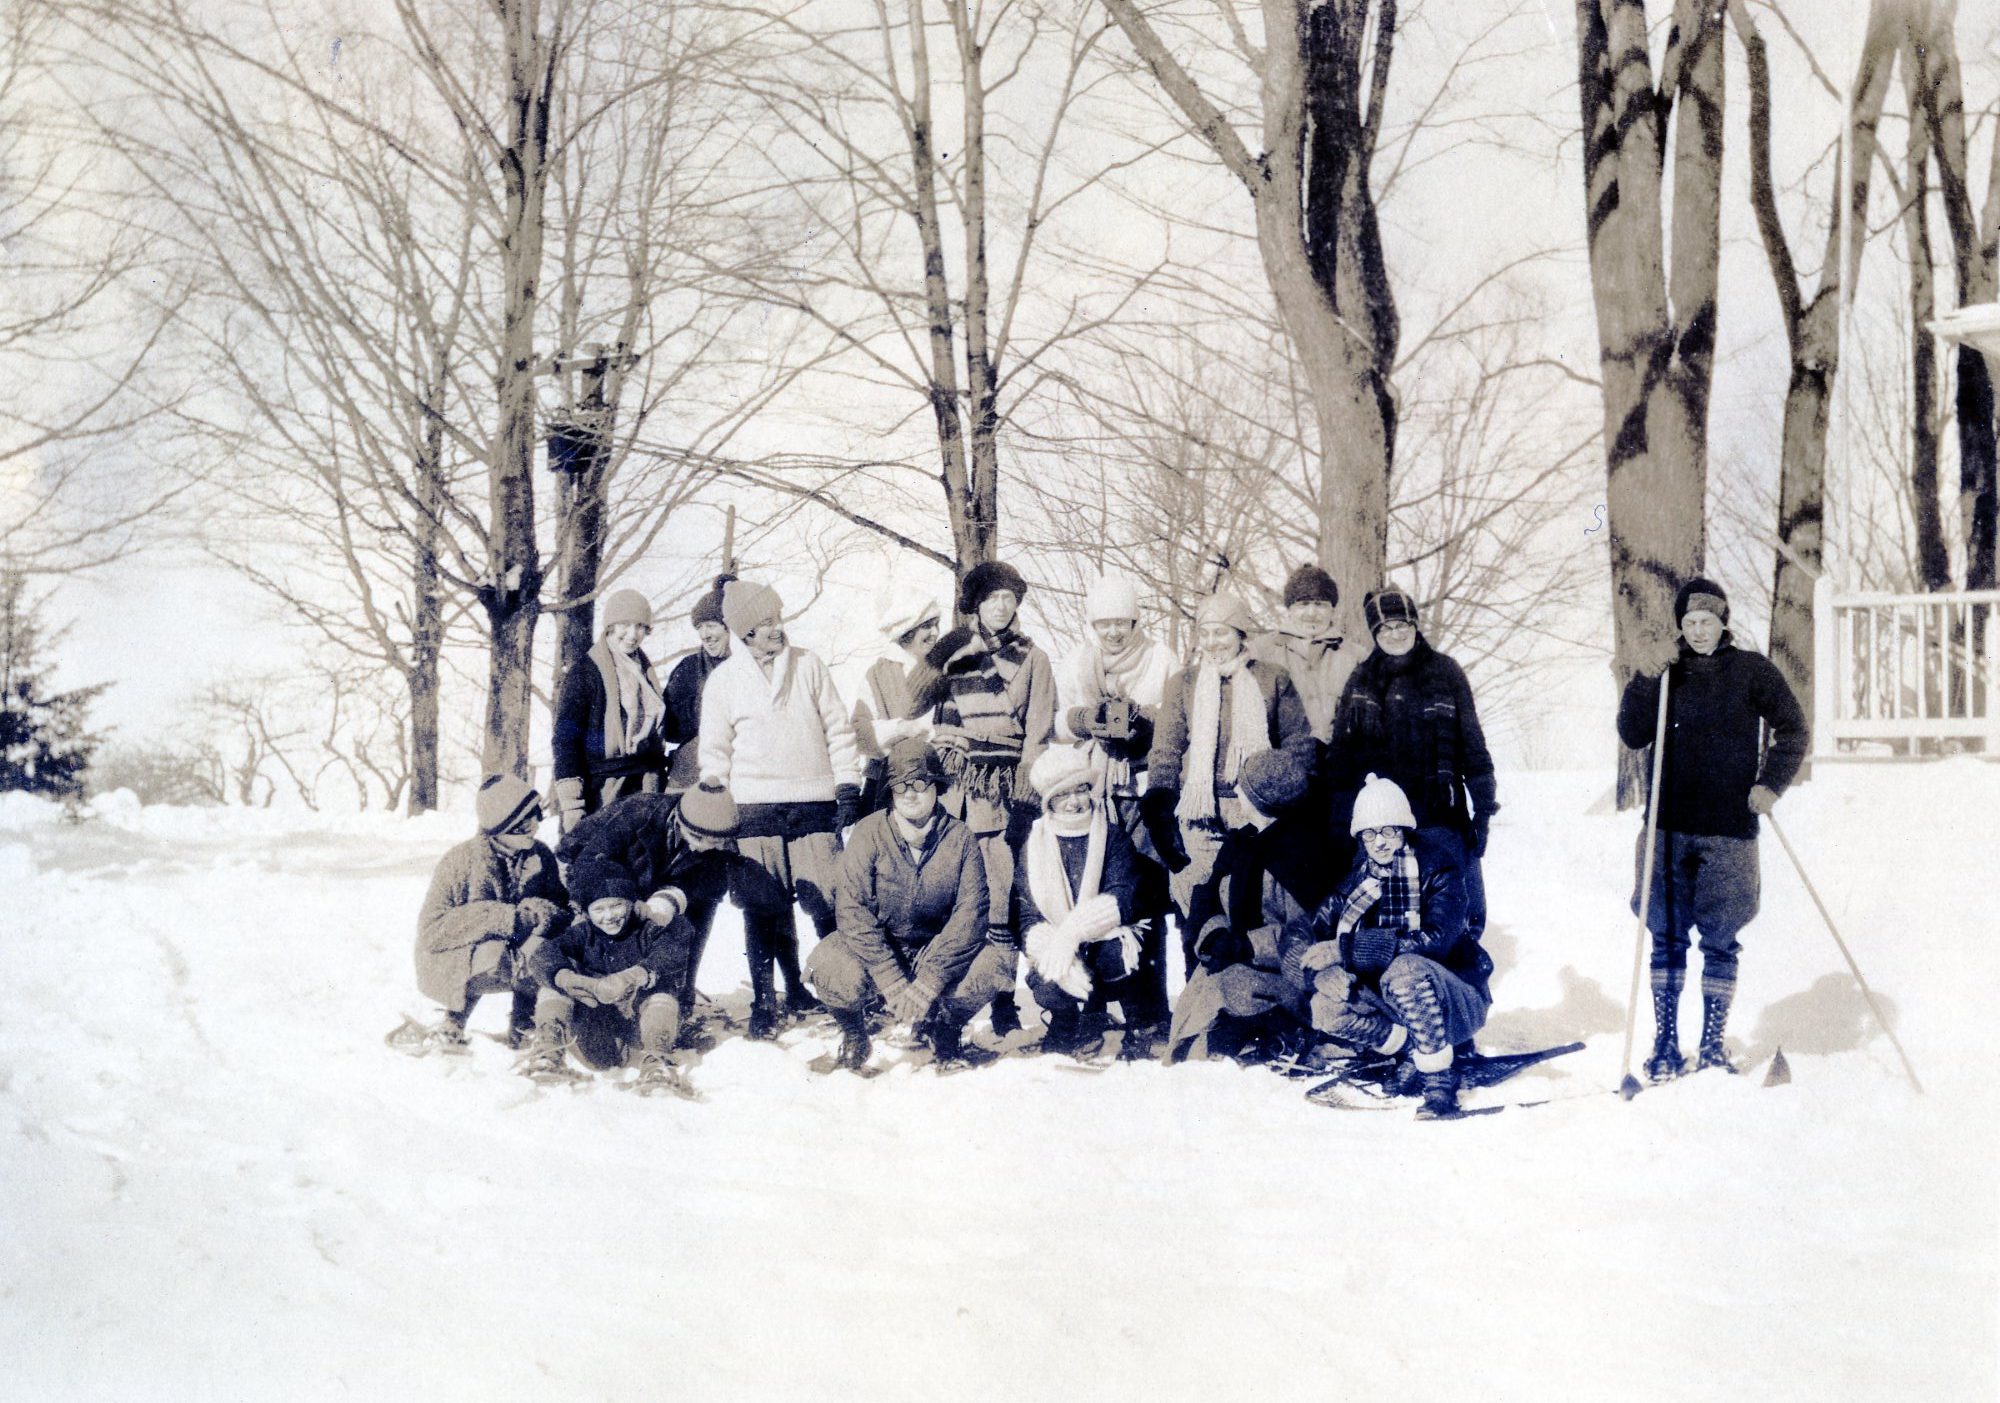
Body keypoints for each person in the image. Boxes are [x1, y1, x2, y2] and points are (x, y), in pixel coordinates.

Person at [1616, 576, 1807, 1079]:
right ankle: (1664, 1044)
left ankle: (1713, 1045)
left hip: (1729, 829)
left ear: (1723, 623)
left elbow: (1793, 728)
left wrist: (1771, 783)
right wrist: (1643, 677)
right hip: (1667, 826)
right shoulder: (1665, 671)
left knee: (1722, 938)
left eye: (1707, 621)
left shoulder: (1751, 671)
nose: (1698, 631)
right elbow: (1633, 733)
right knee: (1666, 935)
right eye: (1690, 622)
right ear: (1680, 626)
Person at [697, 577, 864, 1036]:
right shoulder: (724, 681)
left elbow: (838, 729)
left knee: (828, 902)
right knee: (762, 908)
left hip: (812, 805)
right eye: (765, 623)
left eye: (777, 620)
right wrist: (716, 803)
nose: (776, 630)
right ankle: (764, 1003)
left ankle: (844, 997)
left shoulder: (809, 665)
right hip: (753, 811)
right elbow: (715, 752)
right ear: (745, 633)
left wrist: (847, 784)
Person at [905, 560, 1057, 1036]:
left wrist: (1025, 798)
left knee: (999, 899)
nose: (1001, 606)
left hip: (1001, 796)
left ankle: (1002, 999)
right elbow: (911, 703)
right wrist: (940, 657)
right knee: (948, 899)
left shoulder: (1034, 657)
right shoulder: (957, 650)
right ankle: (935, 994)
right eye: (992, 598)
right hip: (951, 795)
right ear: (975, 605)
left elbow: (1039, 733)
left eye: (1009, 599)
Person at [1288, 774, 1493, 1119]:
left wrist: (1346, 950)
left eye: (1389, 831)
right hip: (1394, 1004)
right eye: (1369, 833)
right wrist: (1317, 975)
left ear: (1405, 829)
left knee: (1405, 969)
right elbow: (1300, 932)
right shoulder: (1358, 882)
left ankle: (1440, 1079)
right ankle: (1412, 1052)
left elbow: (1434, 940)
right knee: (1325, 1007)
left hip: (1454, 999)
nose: (1380, 843)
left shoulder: (1439, 869)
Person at [1140, 589, 1314, 975]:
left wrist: (1284, 802)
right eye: (1206, 633)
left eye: (1222, 632)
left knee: (1246, 901)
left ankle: (1252, 996)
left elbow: (1298, 747)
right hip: (1199, 811)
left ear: (1240, 633)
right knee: (1198, 905)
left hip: (1254, 809)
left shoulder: (1271, 679)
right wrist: (1160, 804)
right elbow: (1166, 748)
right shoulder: (1183, 683)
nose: (1213, 642)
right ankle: (1199, 989)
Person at [806, 737, 1001, 1072]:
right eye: (901, 785)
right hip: (880, 947)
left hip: (932, 949)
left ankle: (946, 1031)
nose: (911, 793)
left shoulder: (961, 838)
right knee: (828, 966)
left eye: (921, 783)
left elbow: (971, 915)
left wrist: (928, 983)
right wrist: (892, 980)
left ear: (937, 787)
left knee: (992, 965)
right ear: (891, 792)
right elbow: (852, 911)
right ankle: (854, 1033)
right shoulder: (868, 833)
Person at [1327, 585, 1499, 943]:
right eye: (1385, 628)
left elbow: (1472, 743)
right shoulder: (1361, 679)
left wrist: (1482, 808)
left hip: (1439, 814)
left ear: (1415, 625)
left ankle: (1461, 990)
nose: (1395, 634)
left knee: (1455, 915)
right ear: (1375, 633)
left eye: (1402, 624)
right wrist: (1342, 818)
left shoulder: (1446, 672)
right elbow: (1343, 754)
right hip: (1383, 823)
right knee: (1384, 919)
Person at [554, 780, 782, 1041]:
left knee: (693, 917)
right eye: (697, 838)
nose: (702, 847)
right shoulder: (639, 813)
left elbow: (704, 883)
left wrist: (668, 900)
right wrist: (625, 902)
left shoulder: (712, 840)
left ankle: (679, 996)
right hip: (589, 872)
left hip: (656, 884)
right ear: (679, 819)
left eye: (714, 842)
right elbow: (589, 862)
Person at [1161, 748, 1328, 1064]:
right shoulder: (1241, 844)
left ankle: (1276, 1039)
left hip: (1281, 979)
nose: (1235, 791)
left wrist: (1247, 946)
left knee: (1226, 990)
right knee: (1203, 1001)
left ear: (1261, 801)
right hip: (1234, 964)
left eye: (1243, 786)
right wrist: (1214, 937)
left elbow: (1306, 934)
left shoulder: (1299, 855)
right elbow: (1207, 897)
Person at [1014, 744, 1171, 1060]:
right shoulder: (1034, 846)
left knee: (1121, 955)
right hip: (1063, 951)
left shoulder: (1112, 836)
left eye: (1080, 790)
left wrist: (1070, 935)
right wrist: (1055, 949)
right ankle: (1066, 1020)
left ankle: (1139, 1021)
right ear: (1049, 801)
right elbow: (1027, 914)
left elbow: (1121, 898)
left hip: (1106, 942)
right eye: (1063, 794)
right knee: (1047, 977)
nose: (1074, 801)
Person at [407, 775, 570, 1053]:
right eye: (522, 823)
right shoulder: (459, 862)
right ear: (499, 827)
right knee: (494, 953)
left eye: (535, 816)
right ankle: (453, 1021)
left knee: (543, 951)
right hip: (458, 957)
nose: (534, 827)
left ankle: (524, 1025)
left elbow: (563, 911)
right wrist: (502, 917)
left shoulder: (540, 856)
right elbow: (432, 932)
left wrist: (543, 914)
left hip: (520, 952)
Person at [518, 866, 698, 1094]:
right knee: (554, 983)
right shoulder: (583, 934)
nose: (609, 916)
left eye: (616, 905)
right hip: (593, 1031)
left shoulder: (649, 931)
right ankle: (547, 1052)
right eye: (599, 909)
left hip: (639, 1034)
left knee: (661, 993)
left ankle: (657, 1062)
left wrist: (637, 974)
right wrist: (565, 977)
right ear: (587, 912)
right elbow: (544, 953)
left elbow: (672, 951)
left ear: (632, 904)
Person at [552, 588, 669, 830]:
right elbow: (566, 739)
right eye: (624, 625)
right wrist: (572, 804)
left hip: (646, 786)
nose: (632, 634)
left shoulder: (643, 672)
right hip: (602, 793)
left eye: (640, 626)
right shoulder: (585, 673)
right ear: (610, 626)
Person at [852, 597, 942, 813]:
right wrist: (899, 728)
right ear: (907, 630)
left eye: (937, 625)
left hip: (936, 782)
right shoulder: (878, 674)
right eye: (927, 626)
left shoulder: (946, 669)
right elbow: (858, 733)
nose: (936, 633)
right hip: (886, 785)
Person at [1251, 564, 1354, 746]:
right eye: (1303, 604)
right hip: (1282, 762)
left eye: (1320, 604)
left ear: (1332, 609)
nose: (1311, 613)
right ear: (1290, 608)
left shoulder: (1355, 655)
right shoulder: (1260, 652)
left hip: (1339, 762)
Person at [661, 575, 735, 791]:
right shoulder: (688, 669)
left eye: (711, 625)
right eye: (700, 627)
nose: (705, 634)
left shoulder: (753, 668)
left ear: (729, 627)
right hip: (693, 769)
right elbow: (670, 730)